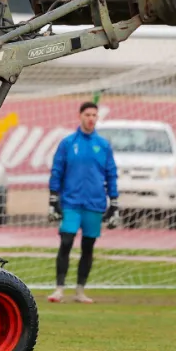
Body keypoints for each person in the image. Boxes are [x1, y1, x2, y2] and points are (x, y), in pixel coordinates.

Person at [46, 101, 119, 304]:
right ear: (80, 116)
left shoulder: (103, 145)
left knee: (88, 247)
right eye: (87, 114)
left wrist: (114, 202)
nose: (91, 118)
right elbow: (57, 171)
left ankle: (80, 291)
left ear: (97, 118)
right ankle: (59, 288)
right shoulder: (68, 143)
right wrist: (53, 198)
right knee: (66, 242)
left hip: (94, 204)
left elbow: (111, 174)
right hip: (71, 203)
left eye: (94, 115)